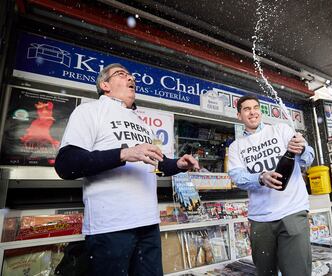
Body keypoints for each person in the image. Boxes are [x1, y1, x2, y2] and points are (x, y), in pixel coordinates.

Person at [54, 63, 199, 276]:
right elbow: (67, 165)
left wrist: (178, 164)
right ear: (105, 84)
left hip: (149, 224)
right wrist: (123, 154)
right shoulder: (89, 111)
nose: (131, 78)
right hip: (110, 228)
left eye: (131, 75)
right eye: (121, 74)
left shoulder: (142, 123)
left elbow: (158, 164)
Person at [228, 95, 315, 276]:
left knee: (297, 272)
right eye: (246, 109)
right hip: (260, 220)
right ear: (239, 116)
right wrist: (261, 178)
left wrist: (303, 149)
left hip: (292, 212)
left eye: (256, 107)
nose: (252, 112)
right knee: (265, 272)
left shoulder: (281, 130)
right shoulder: (236, 146)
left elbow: (308, 158)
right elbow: (237, 177)